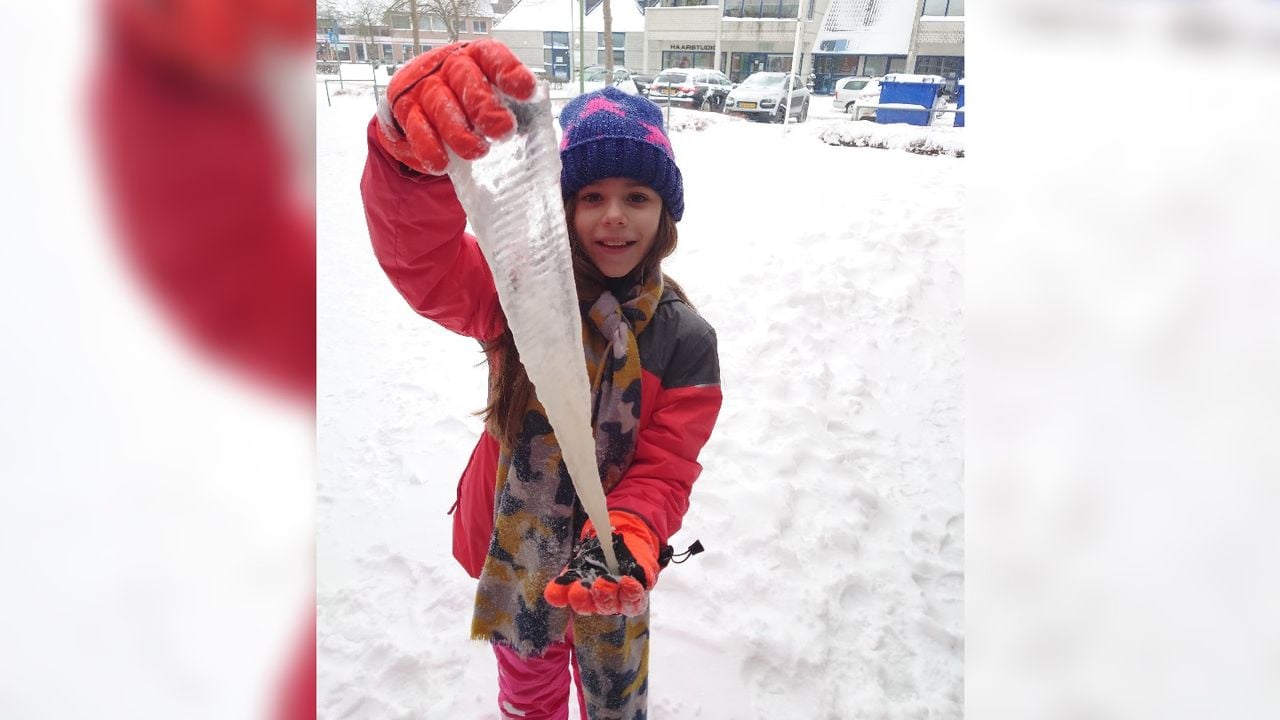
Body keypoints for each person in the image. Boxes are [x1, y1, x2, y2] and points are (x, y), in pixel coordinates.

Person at [360, 39, 722, 720]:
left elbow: (666, 466)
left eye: (636, 196)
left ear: (665, 213)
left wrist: (633, 532)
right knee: (528, 692)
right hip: (516, 560)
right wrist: (402, 162)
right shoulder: (517, 293)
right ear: (563, 208)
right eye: (591, 196)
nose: (613, 215)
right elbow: (424, 264)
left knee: (610, 688)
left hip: (610, 565)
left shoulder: (686, 342)